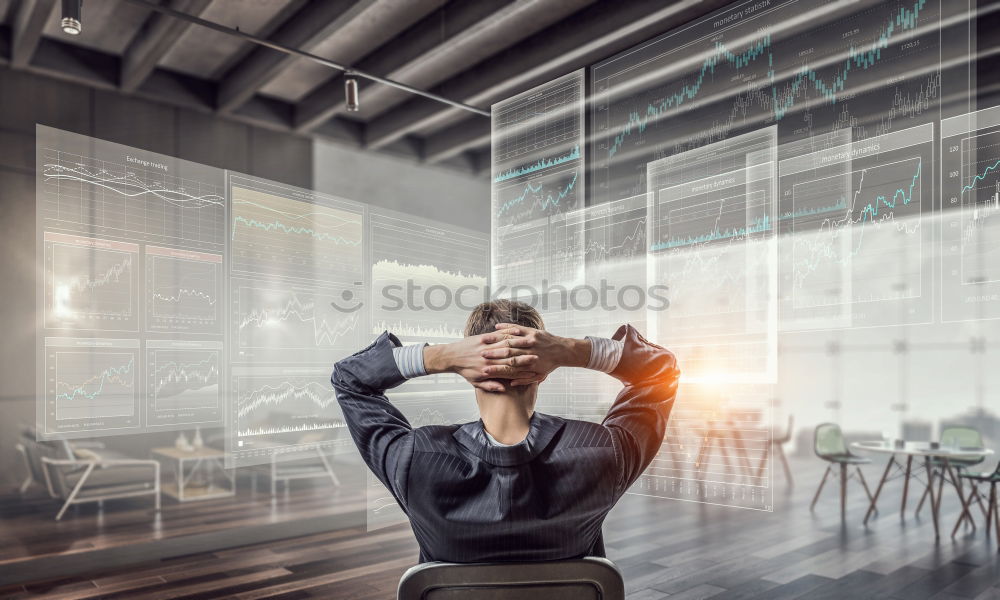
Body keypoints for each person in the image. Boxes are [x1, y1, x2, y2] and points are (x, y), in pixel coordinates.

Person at [331, 299, 679, 563]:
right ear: (543, 371)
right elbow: (661, 372)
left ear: (468, 367)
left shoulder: (414, 457)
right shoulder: (603, 453)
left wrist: (441, 356)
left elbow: (350, 379)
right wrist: (570, 350)